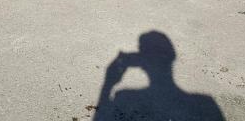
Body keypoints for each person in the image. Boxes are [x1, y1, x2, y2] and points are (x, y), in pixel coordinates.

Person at [95, 31, 225, 121]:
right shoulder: (206, 103)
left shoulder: (123, 96)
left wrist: (108, 83)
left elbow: (100, 115)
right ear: (172, 57)